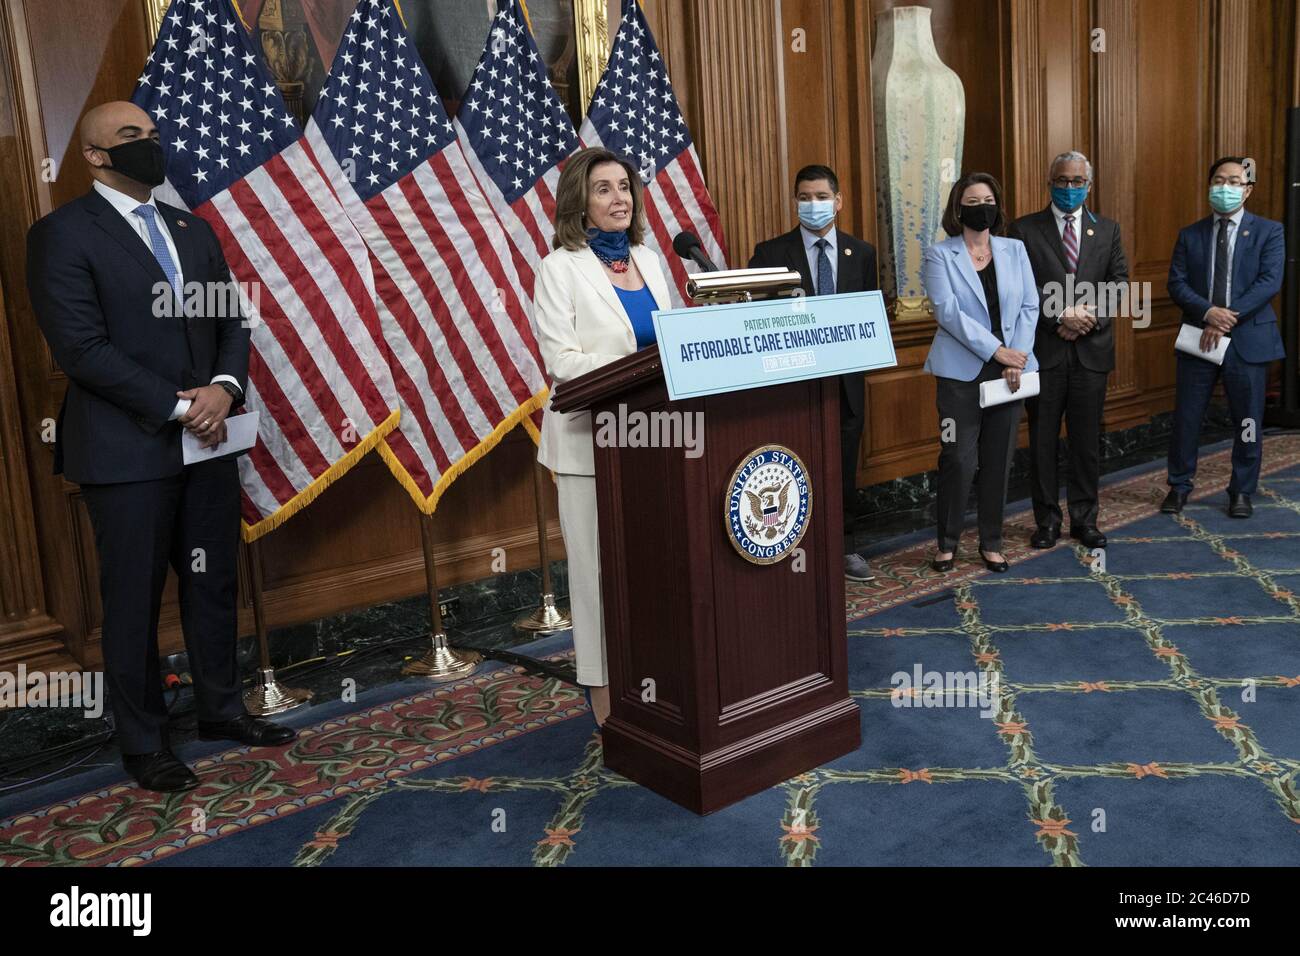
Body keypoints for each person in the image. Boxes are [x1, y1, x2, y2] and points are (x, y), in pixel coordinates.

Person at [25, 102, 295, 793]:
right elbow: (82, 350)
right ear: (92, 156)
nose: (149, 145)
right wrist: (181, 405)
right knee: (134, 601)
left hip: (208, 445)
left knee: (213, 585)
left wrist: (224, 388)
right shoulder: (60, 235)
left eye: (152, 135)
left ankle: (221, 710)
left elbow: (232, 322)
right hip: (127, 453)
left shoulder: (190, 229)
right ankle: (144, 742)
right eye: (129, 138)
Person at [534, 147, 673, 727]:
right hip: (588, 445)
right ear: (580, 202)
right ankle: (604, 701)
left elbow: (674, 332)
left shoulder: (650, 256)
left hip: (658, 439)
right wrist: (639, 359)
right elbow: (560, 358)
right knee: (595, 577)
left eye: (625, 187)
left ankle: (658, 680)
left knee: (653, 569)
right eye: (604, 190)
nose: (620, 199)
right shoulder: (558, 267)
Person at [748, 164, 880, 582]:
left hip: (845, 385)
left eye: (821, 197)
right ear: (795, 202)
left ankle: (844, 547)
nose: (813, 204)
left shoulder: (861, 253)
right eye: (804, 197)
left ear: (838, 201)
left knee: (842, 469)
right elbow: (757, 320)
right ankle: (793, 547)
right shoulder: (770, 253)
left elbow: (870, 314)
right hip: (793, 384)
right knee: (794, 469)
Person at [1010, 150, 1129, 550]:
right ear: (1050, 182)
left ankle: (1084, 519)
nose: (1069, 188)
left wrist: (1087, 317)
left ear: (1089, 186)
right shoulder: (1024, 229)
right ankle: (1046, 522)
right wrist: (1059, 315)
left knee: (1086, 442)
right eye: (1062, 180)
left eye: (1078, 182)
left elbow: (1120, 285)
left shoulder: (1107, 230)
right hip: (1045, 352)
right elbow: (1017, 290)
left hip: (1091, 354)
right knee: (1042, 442)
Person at [922, 172, 1039, 573]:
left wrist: (1016, 356)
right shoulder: (939, 254)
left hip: (1011, 372)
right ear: (958, 208)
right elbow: (947, 312)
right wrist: (999, 351)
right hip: (959, 375)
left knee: (998, 459)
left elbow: (1029, 306)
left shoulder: (1015, 250)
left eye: (987, 199)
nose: (981, 206)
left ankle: (991, 540)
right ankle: (948, 541)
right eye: (972, 201)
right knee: (958, 457)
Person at [1162, 157, 1285, 519]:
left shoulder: (1269, 231)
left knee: (1247, 420)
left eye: (1234, 181)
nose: (1226, 187)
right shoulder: (1190, 234)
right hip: (1198, 338)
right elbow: (1177, 283)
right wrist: (1208, 312)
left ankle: (1242, 489)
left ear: (1247, 189)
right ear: (1209, 186)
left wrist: (1226, 317)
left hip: (1247, 340)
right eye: (1219, 180)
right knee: (1187, 416)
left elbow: (1269, 282)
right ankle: (1179, 485)